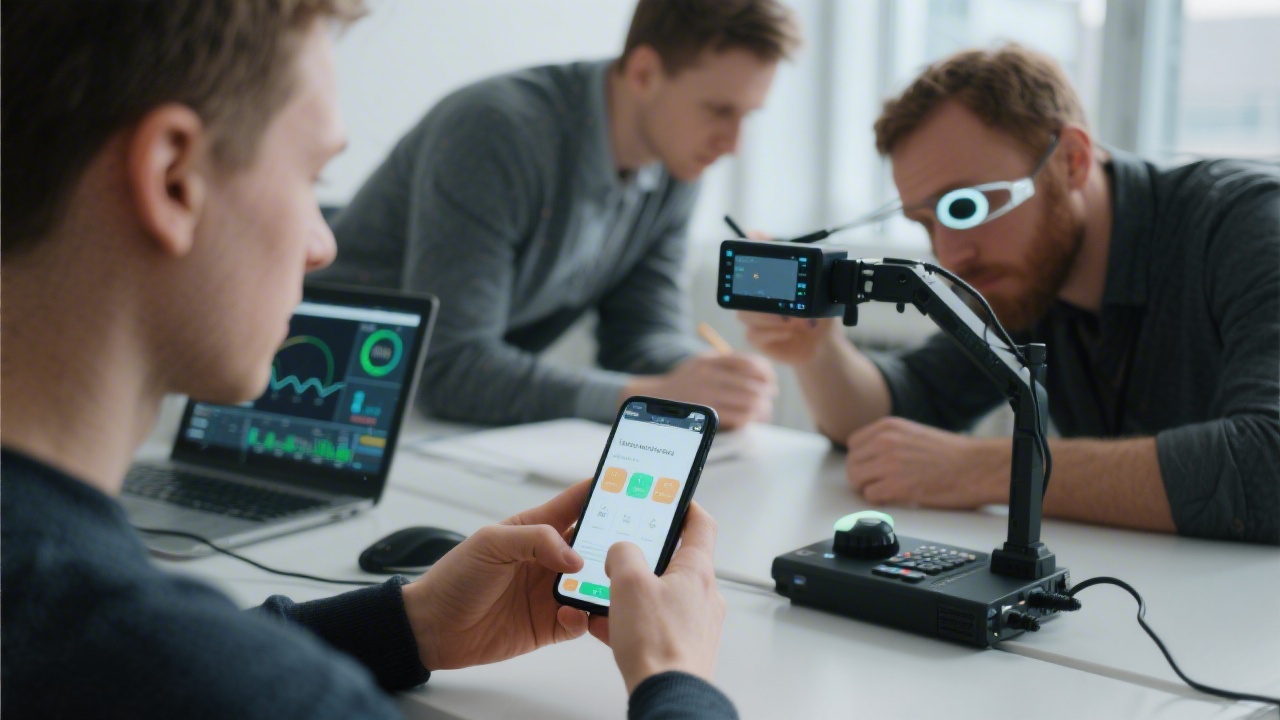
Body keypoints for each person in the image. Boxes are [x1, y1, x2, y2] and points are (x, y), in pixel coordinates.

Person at [0, 2, 735, 718]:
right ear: (172, 179)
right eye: (312, 178)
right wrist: (676, 678)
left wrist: (406, 624)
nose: (325, 245)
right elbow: (190, 673)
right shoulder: (182, 668)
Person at [738, 45, 1279, 544]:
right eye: (926, 223)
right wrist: (818, 352)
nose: (951, 255)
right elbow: (901, 412)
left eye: (966, 206)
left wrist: (984, 469)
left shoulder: (1248, 227)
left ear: (1072, 160)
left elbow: (1269, 463)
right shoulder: (1024, 277)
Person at [319, 0, 799, 428]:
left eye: (746, 115)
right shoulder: (495, 133)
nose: (733, 144)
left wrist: (704, 379)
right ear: (644, 73)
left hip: (439, 427)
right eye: (718, 110)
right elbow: (450, 368)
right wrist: (644, 396)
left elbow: (639, 336)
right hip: (330, 393)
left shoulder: (676, 161)